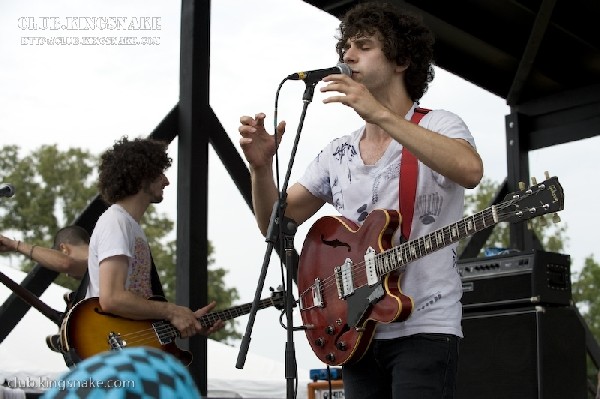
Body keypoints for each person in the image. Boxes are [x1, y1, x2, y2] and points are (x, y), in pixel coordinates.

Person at [238, 2, 483, 399]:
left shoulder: (439, 124)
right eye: (345, 48)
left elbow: (470, 171)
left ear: (402, 59)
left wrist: (381, 114)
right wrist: (260, 170)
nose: (347, 56)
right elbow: (275, 224)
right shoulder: (338, 152)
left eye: (364, 46)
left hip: (426, 327)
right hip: (353, 330)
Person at [86, 136, 223, 340]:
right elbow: (112, 298)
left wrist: (185, 320)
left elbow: (136, 302)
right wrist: (171, 311)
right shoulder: (116, 222)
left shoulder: (131, 227)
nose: (166, 181)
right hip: (110, 351)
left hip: (129, 348)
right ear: (143, 176)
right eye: (160, 174)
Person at [0, 225, 89, 279]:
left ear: (64, 249)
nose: (67, 275)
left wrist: (15, 245)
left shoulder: (97, 259)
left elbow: (66, 263)